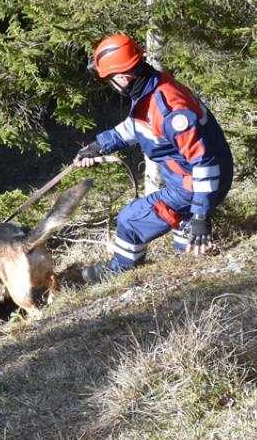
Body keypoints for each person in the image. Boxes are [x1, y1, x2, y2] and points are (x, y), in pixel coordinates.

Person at [74, 33, 233, 282]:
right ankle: (189, 243)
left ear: (123, 77)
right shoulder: (153, 87)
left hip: (193, 184)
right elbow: (138, 126)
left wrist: (201, 215)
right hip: (190, 180)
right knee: (186, 244)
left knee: (129, 219)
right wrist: (98, 146)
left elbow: (204, 162)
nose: (110, 85)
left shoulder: (169, 110)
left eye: (109, 79)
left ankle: (120, 271)